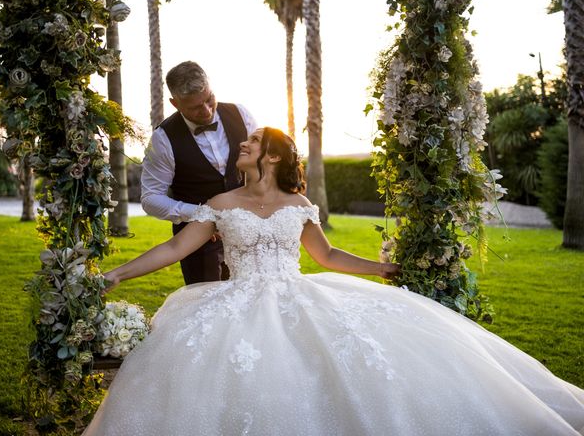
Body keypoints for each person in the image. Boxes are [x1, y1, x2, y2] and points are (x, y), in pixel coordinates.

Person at [85, 128, 584, 436]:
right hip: (234, 300)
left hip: (298, 293)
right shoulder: (218, 205)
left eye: (254, 142)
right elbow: (175, 248)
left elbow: (325, 255)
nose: (243, 143)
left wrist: (382, 268)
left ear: (274, 157)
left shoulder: (300, 206)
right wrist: (114, 274)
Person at [141, 61, 258, 285]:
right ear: (175, 103)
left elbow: (261, 169)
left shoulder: (241, 114)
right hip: (198, 243)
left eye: (208, 99)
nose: (206, 111)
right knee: (207, 309)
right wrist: (201, 215)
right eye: (195, 107)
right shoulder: (163, 139)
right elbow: (150, 199)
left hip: (248, 234)